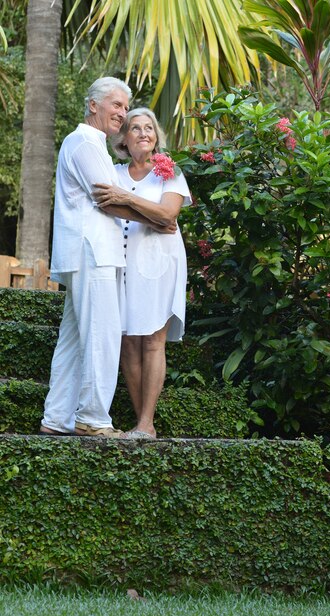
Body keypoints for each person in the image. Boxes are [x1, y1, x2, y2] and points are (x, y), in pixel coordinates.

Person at [39, 77, 133, 438]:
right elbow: (109, 199)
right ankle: (92, 418)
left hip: (90, 251)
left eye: (125, 107)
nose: (122, 113)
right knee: (101, 333)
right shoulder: (84, 142)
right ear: (94, 105)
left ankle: (57, 418)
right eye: (116, 104)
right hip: (92, 251)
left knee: (76, 338)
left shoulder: (91, 143)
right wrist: (158, 214)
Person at [92, 108, 192, 439]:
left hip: (160, 262)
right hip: (121, 262)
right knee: (126, 342)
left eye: (149, 127)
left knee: (152, 340)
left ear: (156, 137)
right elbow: (107, 206)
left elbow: (170, 212)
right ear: (123, 138)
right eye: (135, 127)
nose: (143, 132)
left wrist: (130, 203)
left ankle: (146, 422)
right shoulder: (114, 172)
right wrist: (150, 216)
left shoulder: (169, 171)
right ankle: (141, 423)